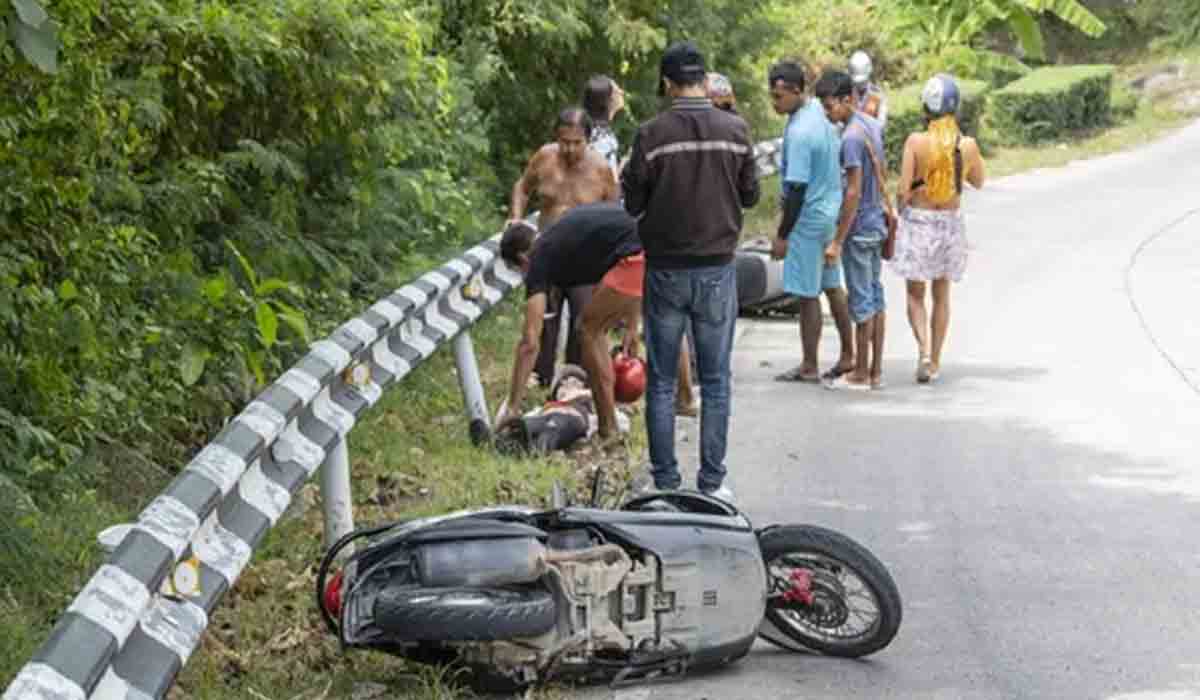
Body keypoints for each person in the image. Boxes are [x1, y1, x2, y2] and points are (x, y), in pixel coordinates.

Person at [622, 41, 760, 500]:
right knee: (716, 379)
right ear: (704, 79)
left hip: (664, 271)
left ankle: (664, 483)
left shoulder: (650, 135)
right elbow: (750, 196)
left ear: (666, 83)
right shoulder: (736, 130)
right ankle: (713, 484)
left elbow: (632, 202)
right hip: (718, 269)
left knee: (661, 380)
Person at [496, 203, 693, 441]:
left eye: (518, 269)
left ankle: (608, 428)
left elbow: (529, 341)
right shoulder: (562, 234)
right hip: (666, 241)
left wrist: (513, 406)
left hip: (639, 254)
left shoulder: (539, 257)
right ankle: (685, 399)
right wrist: (632, 322)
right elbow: (618, 255)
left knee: (588, 330)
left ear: (521, 258)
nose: (524, 275)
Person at [509, 108, 619, 385]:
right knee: (545, 317)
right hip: (546, 252)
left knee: (583, 321)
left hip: (584, 258)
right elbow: (522, 188)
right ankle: (540, 374)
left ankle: (575, 376)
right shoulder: (545, 157)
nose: (569, 148)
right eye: (564, 141)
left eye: (576, 142)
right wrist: (516, 218)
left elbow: (615, 216)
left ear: (588, 140)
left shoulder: (601, 170)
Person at [889, 74, 985, 383]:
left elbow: (904, 189)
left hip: (919, 222)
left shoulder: (915, 143)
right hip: (949, 225)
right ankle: (936, 362)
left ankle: (924, 351)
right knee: (941, 296)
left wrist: (899, 212)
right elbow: (979, 181)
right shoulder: (967, 145)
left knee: (915, 295)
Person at [767, 60, 856, 385]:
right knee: (833, 286)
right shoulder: (819, 115)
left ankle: (808, 365)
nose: (774, 103)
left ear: (795, 91)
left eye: (779, 97)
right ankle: (848, 355)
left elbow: (797, 189)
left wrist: (782, 234)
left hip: (808, 217)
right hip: (829, 212)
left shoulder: (802, 131)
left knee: (807, 294)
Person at [816, 70, 891, 391]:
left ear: (847, 100)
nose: (826, 112)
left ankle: (860, 372)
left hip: (859, 228)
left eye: (830, 105)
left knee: (861, 301)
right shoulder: (871, 125)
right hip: (877, 224)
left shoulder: (849, 138)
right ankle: (874, 371)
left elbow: (853, 191)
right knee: (875, 297)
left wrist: (837, 240)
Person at [492, 365, 629, 456]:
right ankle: (498, 443)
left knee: (553, 428)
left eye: (573, 382)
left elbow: (622, 423)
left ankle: (534, 449)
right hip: (543, 419)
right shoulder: (543, 408)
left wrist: (592, 394)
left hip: (570, 421)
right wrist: (518, 390)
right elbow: (505, 417)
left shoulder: (594, 412)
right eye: (562, 384)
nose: (566, 385)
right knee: (523, 425)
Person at [582, 75, 626, 177]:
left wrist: (621, 168)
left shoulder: (594, 131)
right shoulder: (601, 137)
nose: (621, 92)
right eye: (617, 90)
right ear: (608, 100)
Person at [849, 50, 888, 126]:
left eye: (862, 81)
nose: (859, 84)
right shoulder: (845, 95)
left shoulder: (878, 96)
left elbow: (881, 124)